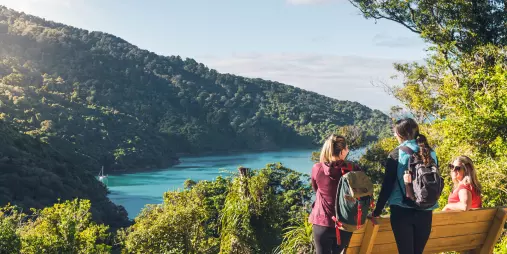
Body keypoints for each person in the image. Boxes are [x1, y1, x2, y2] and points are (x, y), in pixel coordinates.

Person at [370, 118, 439, 254]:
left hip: (401, 210)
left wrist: (377, 211)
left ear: (400, 135)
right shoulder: (431, 152)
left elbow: (387, 185)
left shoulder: (396, 154)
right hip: (425, 209)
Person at [308, 134, 361, 254]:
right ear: (342, 152)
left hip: (322, 223)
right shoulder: (354, 168)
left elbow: (316, 189)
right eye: (347, 148)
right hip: (345, 225)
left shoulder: (317, 168)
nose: (348, 150)